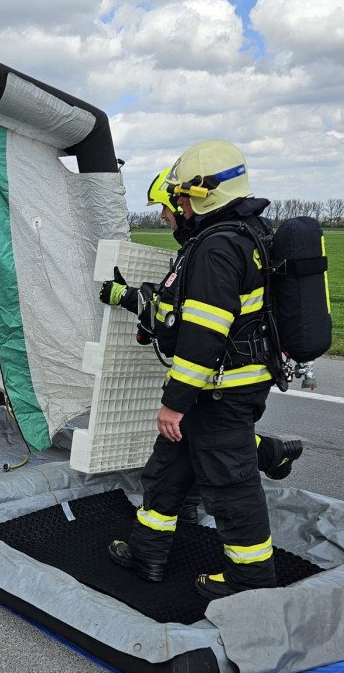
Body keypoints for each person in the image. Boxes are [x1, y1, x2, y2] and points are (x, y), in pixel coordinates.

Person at [105, 141, 278, 599]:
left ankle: (251, 580)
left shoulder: (217, 248)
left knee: (231, 486)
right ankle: (148, 552)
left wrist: (174, 404)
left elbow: (203, 336)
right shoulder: (245, 235)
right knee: (167, 471)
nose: (172, 210)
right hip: (214, 391)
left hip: (218, 392)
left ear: (202, 195)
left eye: (178, 199)